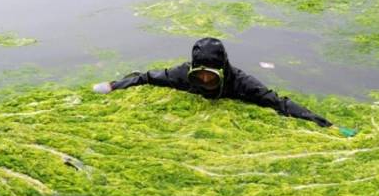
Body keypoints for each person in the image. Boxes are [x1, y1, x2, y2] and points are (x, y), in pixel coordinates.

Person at [93, 37, 333, 128]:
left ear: (222, 70)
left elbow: (277, 102)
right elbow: (145, 77)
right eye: (200, 74)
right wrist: (114, 86)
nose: (205, 80)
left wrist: (316, 120)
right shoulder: (182, 74)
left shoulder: (241, 83)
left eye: (211, 75)